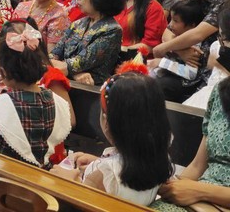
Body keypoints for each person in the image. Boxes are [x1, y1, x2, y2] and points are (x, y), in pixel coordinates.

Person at [51, 72, 173, 206]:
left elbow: (82, 206)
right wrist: (98, 162)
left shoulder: (101, 177)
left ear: (107, 121)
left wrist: (67, 181)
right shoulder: (160, 157)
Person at [0, 21, 71, 168]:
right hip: (41, 171)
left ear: (3, 72)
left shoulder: (2, 104)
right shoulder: (53, 99)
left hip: (5, 172)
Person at [153, 0, 230, 102]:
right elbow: (169, 30)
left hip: (212, 70)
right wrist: (180, 50)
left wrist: (162, 49)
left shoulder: (225, 0)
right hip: (186, 65)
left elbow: (198, 34)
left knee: (160, 87)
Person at [153, 77, 230, 211]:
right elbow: (198, 165)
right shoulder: (221, 91)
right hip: (196, 197)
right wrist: (172, 187)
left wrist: (200, 191)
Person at [51, 0, 125, 85]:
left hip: (90, 92)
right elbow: (53, 56)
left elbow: (75, 64)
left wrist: (69, 70)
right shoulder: (78, 24)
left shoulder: (112, 30)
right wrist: (75, 74)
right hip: (66, 83)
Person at [182, 7, 230, 109]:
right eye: (221, 36)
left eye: (225, 37)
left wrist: (222, 65)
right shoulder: (217, 46)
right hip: (210, 95)